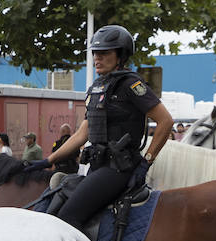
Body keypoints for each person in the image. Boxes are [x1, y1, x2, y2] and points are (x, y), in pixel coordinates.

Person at [40, 25, 174, 226]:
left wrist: (146, 162)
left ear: (120, 55)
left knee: (67, 218)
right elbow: (81, 135)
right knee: (52, 201)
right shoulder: (96, 88)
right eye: (95, 53)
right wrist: (48, 160)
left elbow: (166, 121)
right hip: (95, 166)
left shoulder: (131, 84)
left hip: (118, 169)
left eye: (104, 53)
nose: (97, 58)